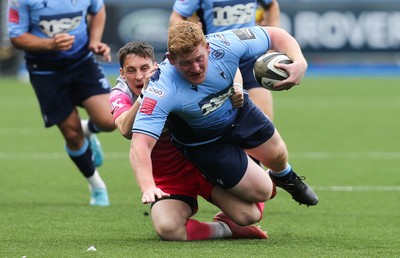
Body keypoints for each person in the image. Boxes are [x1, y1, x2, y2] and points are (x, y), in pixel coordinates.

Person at [130, 21, 319, 210]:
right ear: (171, 59)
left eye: (199, 59)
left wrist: (300, 62)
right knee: (262, 192)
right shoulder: (160, 88)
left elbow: (275, 35)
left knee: (278, 154)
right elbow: (140, 144)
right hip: (205, 142)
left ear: (208, 47)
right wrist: (147, 186)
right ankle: (218, 177)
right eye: (186, 63)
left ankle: (286, 178)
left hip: (238, 112)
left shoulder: (226, 43)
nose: (195, 68)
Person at [110, 41, 274, 241]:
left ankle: (269, 175)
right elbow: (126, 129)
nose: (139, 76)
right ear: (122, 73)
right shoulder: (120, 93)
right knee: (168, 229)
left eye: (144, 68)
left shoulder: (173, 76)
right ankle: (226, 229)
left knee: (250, 215)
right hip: (170, 178)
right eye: (131, 70)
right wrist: (146, 93)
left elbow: (227, 65)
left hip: (203, 164)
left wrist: (237, 86)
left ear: (155, 66)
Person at [7, 0, 116, 206]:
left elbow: (98, 10)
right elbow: (16, 36)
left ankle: (88, 130)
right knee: (72, 135)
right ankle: (97, 186)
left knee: (109, 120)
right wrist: (50, 44)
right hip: (45, 71)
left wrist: (94, 40)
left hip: (82, 63)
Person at [169, 0, 280, 120]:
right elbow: (176, 16)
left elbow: (271, 5)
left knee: (264, 121)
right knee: (218, 123)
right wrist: (192, 34)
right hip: (215, 61)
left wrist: (271, 45)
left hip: (249, 58)